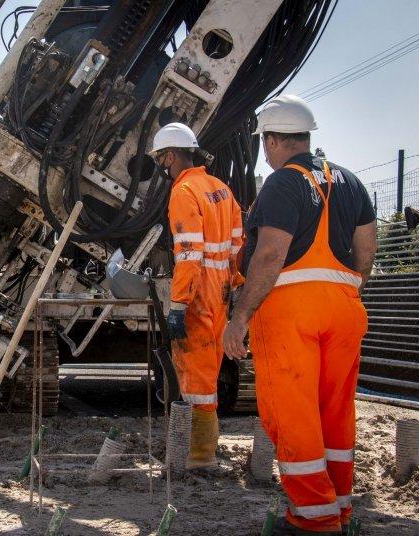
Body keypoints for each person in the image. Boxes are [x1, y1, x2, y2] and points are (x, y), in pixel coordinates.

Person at [222, 95, 377, 534]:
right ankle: (338, 507)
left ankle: (313, 518)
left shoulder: (282, 183)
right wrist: (343, 291)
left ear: (271, 140)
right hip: (346, 308)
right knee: (335, 411)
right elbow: (367, 250)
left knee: (294, 413)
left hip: (291, 311)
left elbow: (270, 254)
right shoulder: (349, 181)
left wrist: (240, 318)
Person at [149, 122, 244, 470]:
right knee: (208, 369)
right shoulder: (221, 189)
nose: (161, 166)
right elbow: (237, 245)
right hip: (219, 292)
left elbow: (188, 253)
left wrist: (178, 305)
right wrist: (234, 285)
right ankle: (198, 450)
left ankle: (199, 456)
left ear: (171, 155)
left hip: (199, 292)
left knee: (196, 377)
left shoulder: (184, 191)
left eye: (161, 159)